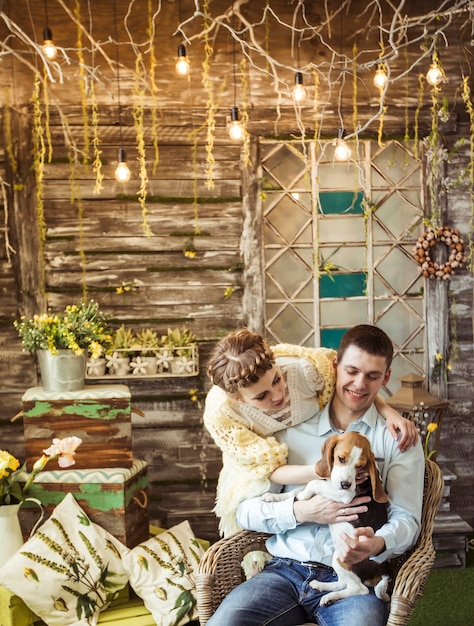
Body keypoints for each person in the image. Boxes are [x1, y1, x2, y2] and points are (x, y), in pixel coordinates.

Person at [205, 325, 424, 626]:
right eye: (351, 371)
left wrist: (378, 543)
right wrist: (300, 511)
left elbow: (408, 519)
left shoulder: (398, 437)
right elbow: (245, 510)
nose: (359, 384)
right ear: (334, 367)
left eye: (373, 376)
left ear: (385, 378)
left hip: (354, 575)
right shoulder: (286, 424)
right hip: (284, 570)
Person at [204, 329, 418, 539]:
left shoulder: (305, 370)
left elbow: (353, 380)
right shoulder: (224, 417)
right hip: (251, 461)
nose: (279, 395)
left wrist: (387, 410)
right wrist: (303, 508)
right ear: (238, 399)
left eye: (277, 380)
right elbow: (267, 475)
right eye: (262, 396)